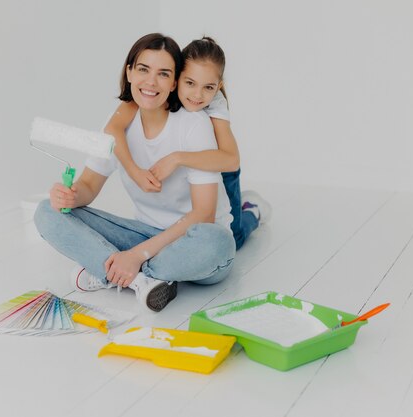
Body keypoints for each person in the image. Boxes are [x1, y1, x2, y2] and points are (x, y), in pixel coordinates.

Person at [34, 33, 235, 312]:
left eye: (163, 74)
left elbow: (204, 215)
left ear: (174, 81)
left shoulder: (194, 124)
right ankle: (142, 280)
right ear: (129, 72)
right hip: (143, 234)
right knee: (46, 211)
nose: (151, 82)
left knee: (217, 243)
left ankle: (113, 270)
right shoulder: (118, 122)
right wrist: (68, 196)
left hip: (191, 239)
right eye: (143, 69)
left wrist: (137, 255)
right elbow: (88, 187)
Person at [104, 36, 271, 250]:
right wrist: (134, 170)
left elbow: (231, 160)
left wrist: (177, 158)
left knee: (234, 235)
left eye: (208, 88)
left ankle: (253, 210)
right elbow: (113, 127)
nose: (197, 95)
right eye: (190, 83)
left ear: (218, 86)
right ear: (176, 78)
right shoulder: (154, 94)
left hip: (220, 169)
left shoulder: (216, 105)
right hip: (195, 179)